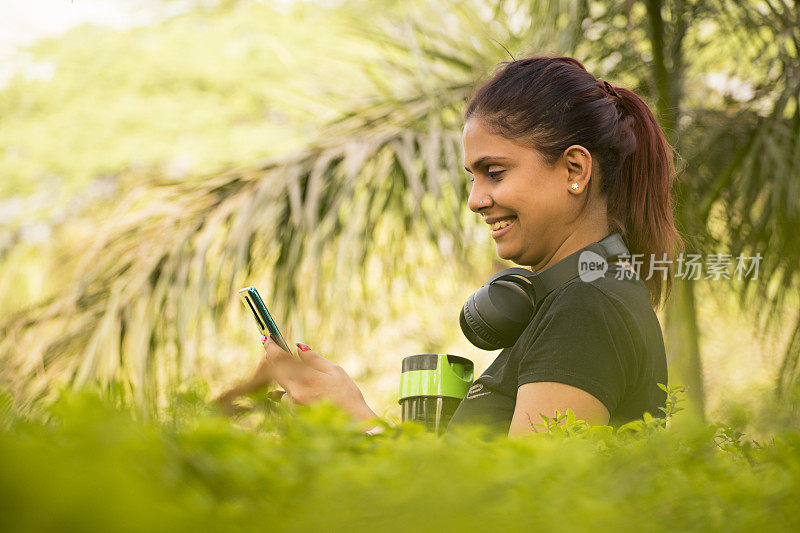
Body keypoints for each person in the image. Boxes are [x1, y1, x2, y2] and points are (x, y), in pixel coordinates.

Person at [217, 55, 680, 437]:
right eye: (472, 178)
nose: (476, 200)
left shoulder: (586, 308)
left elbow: (521, 510)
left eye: (495, 173)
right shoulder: (580, 299)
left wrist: (358, 427)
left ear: (575, 170)